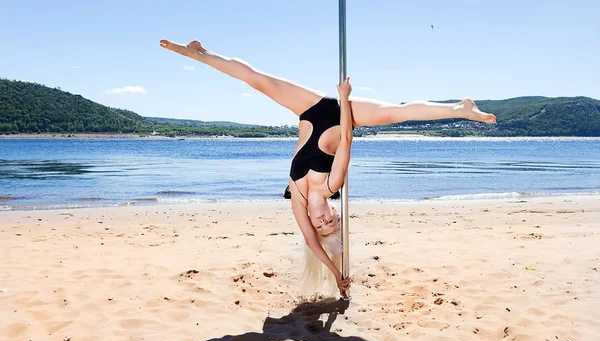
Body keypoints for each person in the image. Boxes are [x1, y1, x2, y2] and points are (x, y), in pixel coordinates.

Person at [160, 39, 497, 297]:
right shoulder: (333, 184)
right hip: (340, 115)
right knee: (397, 112)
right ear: (336, 215)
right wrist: (345, 98)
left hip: (308, 111)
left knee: (258, 81)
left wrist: (336, 276)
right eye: (330, 222)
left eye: (319, 225)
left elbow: (311, 243)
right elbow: (347, 138)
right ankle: (460, 108)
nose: (323, 221)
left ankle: (461, 107)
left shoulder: (297, 199)